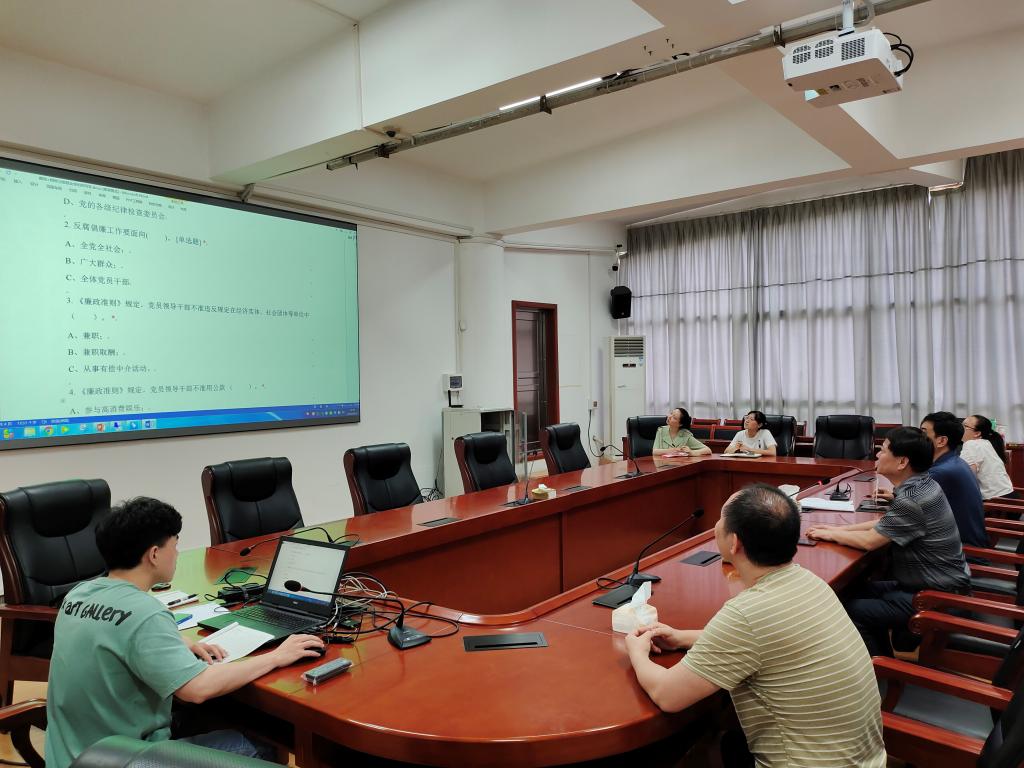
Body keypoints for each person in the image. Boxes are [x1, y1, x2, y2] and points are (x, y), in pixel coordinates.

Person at [46, 497, 325, 768]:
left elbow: (112, 631)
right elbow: (197, 689)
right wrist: (277, 656)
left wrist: (177, 639)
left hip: (75, 756)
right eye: (175, 545)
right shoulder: (146, 614)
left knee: (219, 717)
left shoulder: (78, 595)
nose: (177, 554)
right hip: (128, 759)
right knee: (264, 743)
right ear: (154, 555)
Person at [625, 484, 885, 768]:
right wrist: (682, 638)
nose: (716, 525)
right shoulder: (809, 581)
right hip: (864, 760)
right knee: (731, 741)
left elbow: (668, 695)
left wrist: (636, 651)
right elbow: (764, 640)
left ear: (734, 543)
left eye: (721, 519)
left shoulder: (747, 614)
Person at [806, 427, 971, 657]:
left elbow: (870, 541)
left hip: (936, 596)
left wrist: (830, 535)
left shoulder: (912, 499)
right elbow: (883, 524)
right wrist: (838, 529)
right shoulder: (923, 485)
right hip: (937, 584)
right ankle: (883, 658)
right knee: (852, 590)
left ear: (902, 462)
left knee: (847, 610)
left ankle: (881, 669)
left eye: (883, 450)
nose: (877, 455)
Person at [961, 414, 1016, 500]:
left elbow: (968, 478)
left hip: (996, 503)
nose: (960, 428)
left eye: (965, 426)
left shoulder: (971, 444)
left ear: (977, 433)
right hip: (1009, 497)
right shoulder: (986, 443)